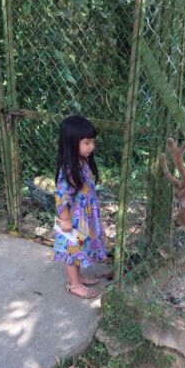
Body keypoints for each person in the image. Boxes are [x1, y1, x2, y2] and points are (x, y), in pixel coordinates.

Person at [53, 115, 107, 298]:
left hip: (85, 217)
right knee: (72, 250)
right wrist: (66, 219)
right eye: (87, 142)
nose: (92, 146)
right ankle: (74, 284)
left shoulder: (82, 161)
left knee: (80, 249)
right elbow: (61, 196)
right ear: (72, 143)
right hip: (74, 220)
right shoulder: (69, 168)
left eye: (93, 142)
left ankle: (79, 276)